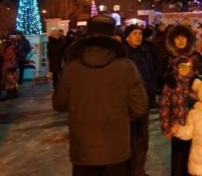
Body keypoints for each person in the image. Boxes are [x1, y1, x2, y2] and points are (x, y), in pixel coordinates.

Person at [53, 15, 148, 176]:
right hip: (116, 150)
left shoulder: (71, 68)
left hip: (82, 151)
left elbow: (59, 104)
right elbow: (140, 107)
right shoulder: (126, 68)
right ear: (113, 36)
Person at [123, 24, 156, 176]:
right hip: (128, 106)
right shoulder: (123, 55)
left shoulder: (145, 52)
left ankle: (139, 170)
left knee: (143, 140)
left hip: (145, 102)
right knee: (129, 141)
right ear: (127, 37)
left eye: (140, 34)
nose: (138, 36)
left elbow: (150, 73)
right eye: (135, 33)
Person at [159, 58, 198, 176]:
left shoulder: (195, 83)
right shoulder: (171, 84)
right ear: (176, 68)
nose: (184, 70)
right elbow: (164, 107)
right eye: (182, 67)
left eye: (187, 67)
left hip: (193, 127)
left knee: (192, 155)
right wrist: (166, 128)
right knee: (178, 157)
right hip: (177, 126)